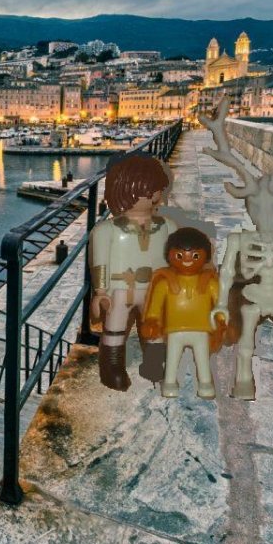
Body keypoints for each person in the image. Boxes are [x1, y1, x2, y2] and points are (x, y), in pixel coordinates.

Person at [89, 152, 175, 391]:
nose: (155, 195)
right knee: (115, 328)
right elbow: (100, 263)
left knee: (154, 328)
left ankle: (156, 363)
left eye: (156, 189)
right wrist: (101, 292)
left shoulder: (167, 227)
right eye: (150, 190)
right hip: (120, 289)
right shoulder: (107, 230)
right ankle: (112, 368)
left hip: (154, 289)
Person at [141, 228, 225, 398]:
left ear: (206, 256)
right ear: (169, 255)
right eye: (180, 255)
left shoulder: (210, 282)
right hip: (175, 330)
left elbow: (220, 304)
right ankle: (170, 383)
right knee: (172, 359)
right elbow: (155, 307)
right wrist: (152, 320)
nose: (187, 260)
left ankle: (205, 384)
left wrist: (221, 321)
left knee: (202, 359)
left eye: (195, 255)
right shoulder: (164, 283)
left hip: (201, 329)